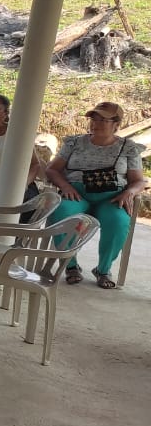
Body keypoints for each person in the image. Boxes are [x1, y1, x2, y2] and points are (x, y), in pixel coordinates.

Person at [45, 101, 146, 290]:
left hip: (111, 197)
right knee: (62, 213)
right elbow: (52, 169)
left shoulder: (128, 148)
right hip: (77, 193)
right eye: (93, 119)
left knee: (118, 221)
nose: (95, 124)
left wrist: (129, 192)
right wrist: (65, 186)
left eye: (102, 120)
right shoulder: (74, 143)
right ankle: (70, 265)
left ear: (116, 124)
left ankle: (103, 269)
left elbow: (139, 181)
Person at [0, 93, 44, 194]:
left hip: (15, 183)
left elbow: (34, 164)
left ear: (5, 113)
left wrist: (23, 185)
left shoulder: (17, 133)